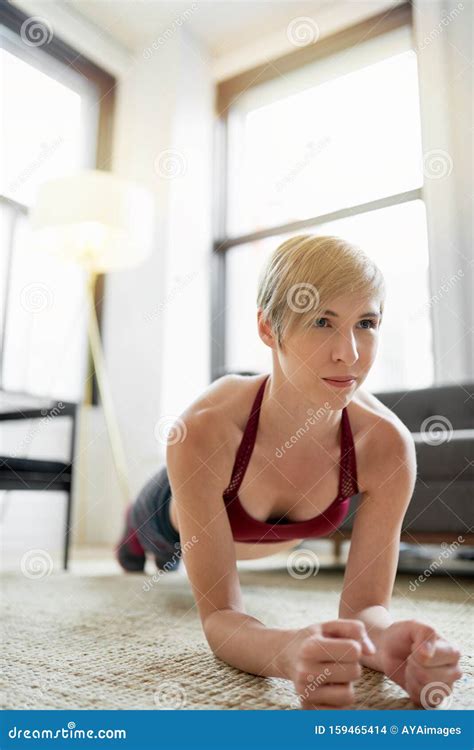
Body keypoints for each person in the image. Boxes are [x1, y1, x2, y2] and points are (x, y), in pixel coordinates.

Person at [116, 234, 463, 710]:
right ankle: (133, 536)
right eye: (322, 321)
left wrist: (387, 645)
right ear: (267, 328)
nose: (350, 354)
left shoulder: (385, 446)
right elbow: (221, 616)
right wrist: (286, 653)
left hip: (260, 538)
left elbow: (364, 608)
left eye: (366, 323)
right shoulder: (205, 430)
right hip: (166, 516)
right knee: (144, 553)